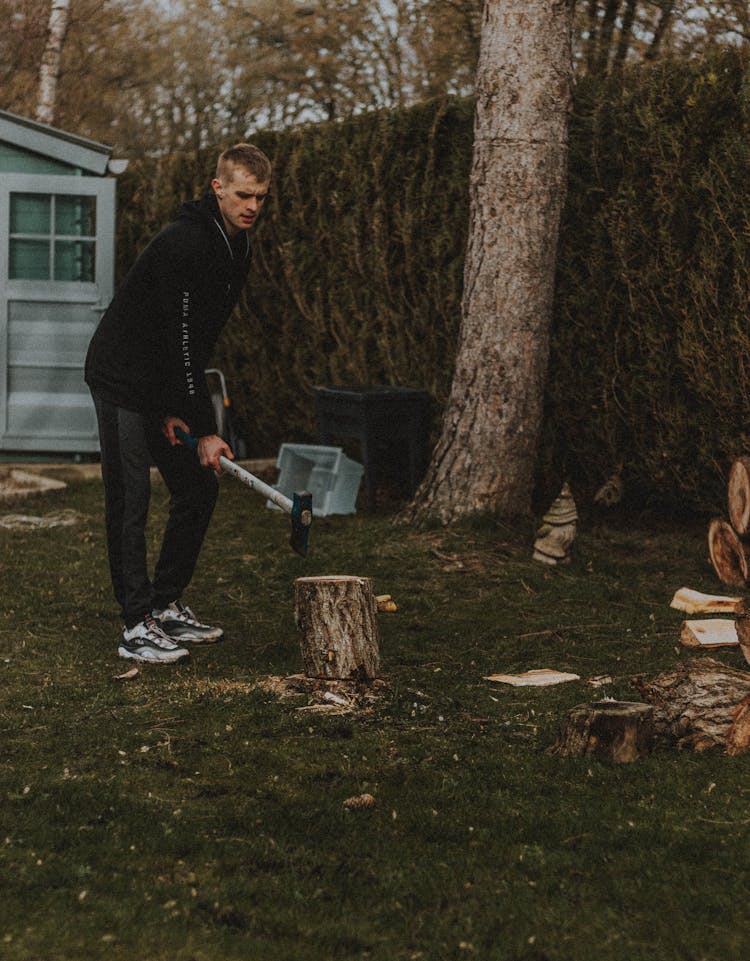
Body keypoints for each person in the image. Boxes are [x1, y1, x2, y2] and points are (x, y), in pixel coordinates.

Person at [85, 143, 272, 664]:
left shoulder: (238, 246)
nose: (252, 205)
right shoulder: (188, 243)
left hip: (157, 377)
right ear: (217, 188)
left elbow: (193, 338)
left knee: (196, 487)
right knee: (131, 499)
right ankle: (136, 625)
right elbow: (182, 340)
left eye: (260, 196)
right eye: (242, 194)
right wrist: (204, 427)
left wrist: (172, 408)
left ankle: (165, 604)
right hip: (120, 376)